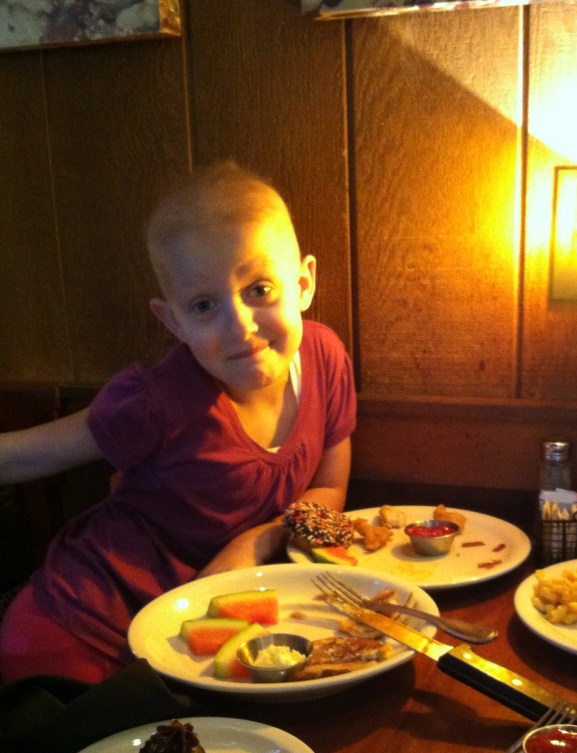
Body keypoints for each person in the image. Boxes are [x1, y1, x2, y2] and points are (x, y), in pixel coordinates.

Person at [0, 162, 356, 684]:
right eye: (204, 305)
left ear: (303, 284)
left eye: (259, 289)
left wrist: (257, 541)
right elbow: (21, 456)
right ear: (174, 322)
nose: (240, 326)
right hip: (77, 631)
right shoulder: (157, 398)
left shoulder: (326, 360)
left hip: (198, 640)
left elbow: (329, 489)